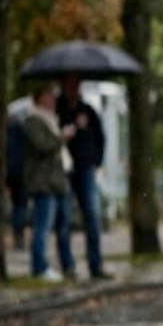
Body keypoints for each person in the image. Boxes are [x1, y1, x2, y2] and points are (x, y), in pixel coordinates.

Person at [22, 84, 74, 281]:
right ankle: (40, 267)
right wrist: (62, 137)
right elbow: (42, 146)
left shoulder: (52, 120)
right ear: (40, 97)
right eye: (49, 95)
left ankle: (67, 265)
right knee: (43, 227)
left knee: (63, 226)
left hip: (57, 181)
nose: (52, 99)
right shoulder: (33, 120)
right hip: (43, 182)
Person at [57, 77, 108, 279]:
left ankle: (95, 265)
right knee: (64, 219)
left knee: (93, 217)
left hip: (86, 168)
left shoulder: (87, 110)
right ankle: (68, 266)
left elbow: (100, 137)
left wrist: (97, 160)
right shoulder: (58, 109)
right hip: (64, 170)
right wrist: (70, 129)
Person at [6, 112, 28, 251]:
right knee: (20, 205)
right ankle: (19, 235)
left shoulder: (8, 133)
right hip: (21, 173)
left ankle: (18, 235)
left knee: (17, 205)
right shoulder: (20, 131)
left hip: (13, 173)